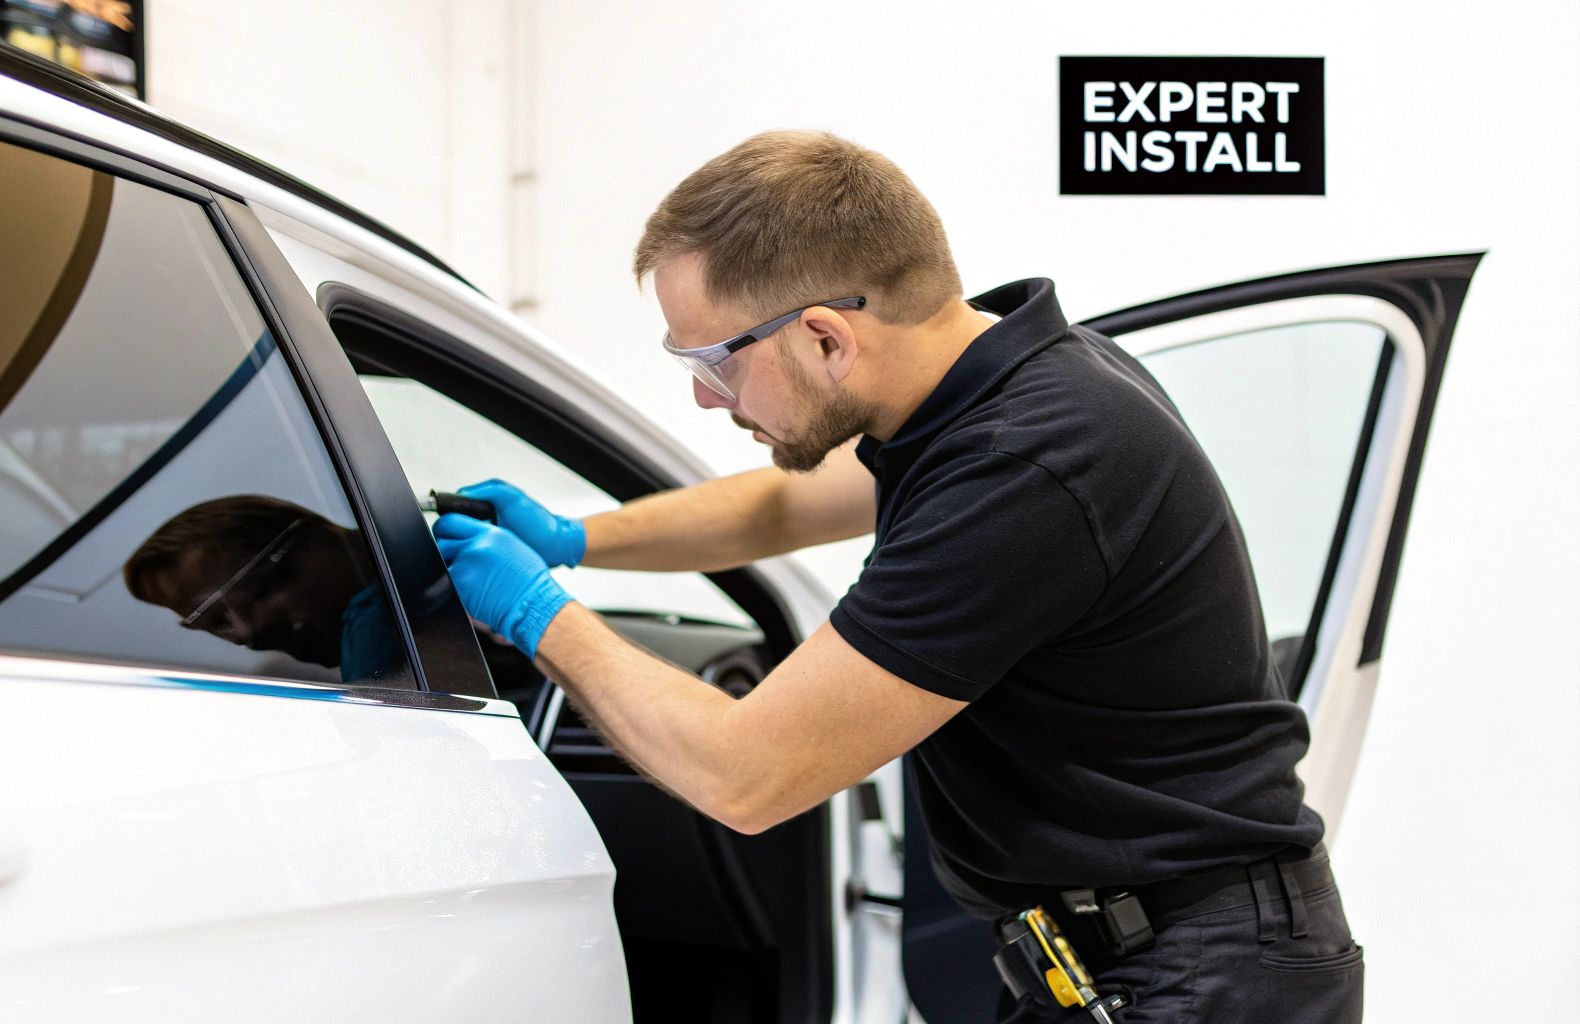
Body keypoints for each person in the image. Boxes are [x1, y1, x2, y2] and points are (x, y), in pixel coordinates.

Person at [431, 131, 1363, 1021]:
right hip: (1133, 957)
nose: (704, 396)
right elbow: (785, 507)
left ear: (829, 338)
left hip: (1196, 979)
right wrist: (570, 536)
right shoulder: (996, 388)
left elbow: (744, 775)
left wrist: (533, 610)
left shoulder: (1030, 462)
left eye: (715, 361)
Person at [124, 494, 402, 683]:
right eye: (218, 623)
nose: (247, 632)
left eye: (260, 589)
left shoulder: (425, 597)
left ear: (326, 537)